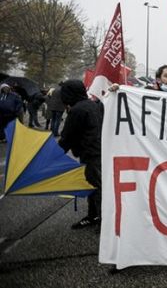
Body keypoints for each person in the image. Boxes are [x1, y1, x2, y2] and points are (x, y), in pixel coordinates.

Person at [58, 80, 104, 229]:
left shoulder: (78, 110)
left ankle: (102, 221)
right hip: (99, 151)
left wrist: (52, 156)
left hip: (91, 154)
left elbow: (67, 137)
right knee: (93, 186)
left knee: (96, 188)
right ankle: (94, 216)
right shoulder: (93, 105)